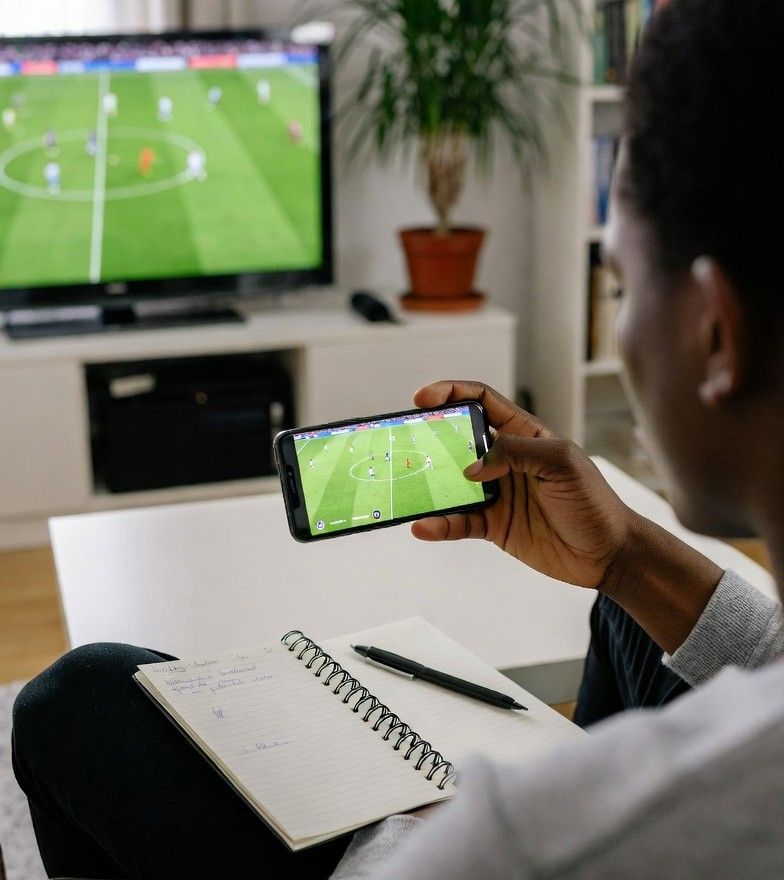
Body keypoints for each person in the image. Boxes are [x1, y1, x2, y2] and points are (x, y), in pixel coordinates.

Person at [12, 1, 784, 878]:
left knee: (76, 700)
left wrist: (423, 808)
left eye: (620, 280)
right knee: (631, 607)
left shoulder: (525, 843)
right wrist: (623, 555)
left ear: (716, 336)